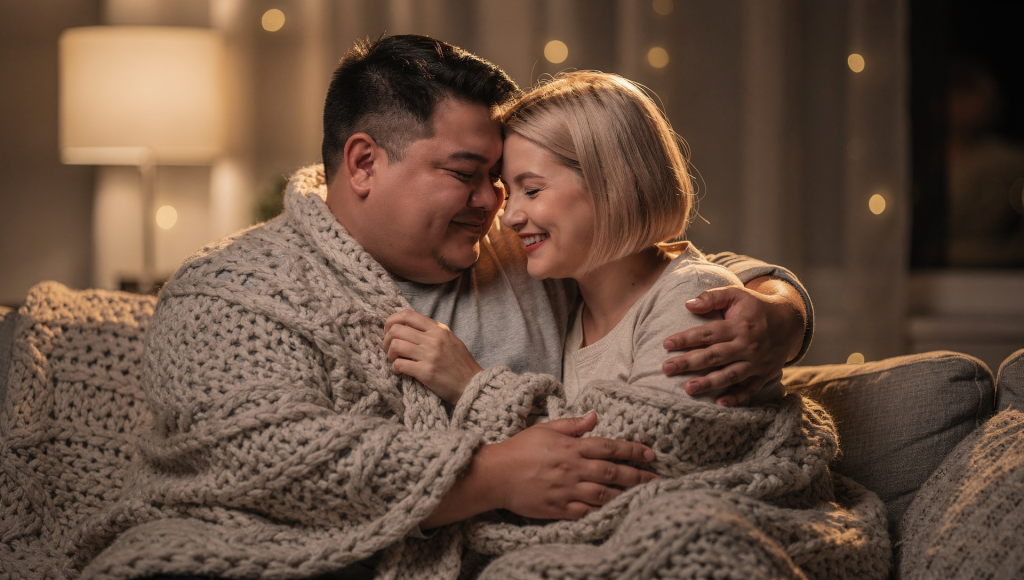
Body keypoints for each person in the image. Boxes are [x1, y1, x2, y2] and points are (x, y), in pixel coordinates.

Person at [75, 36, 813, 579]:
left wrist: (781, 310)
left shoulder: (522, 252)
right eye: (466, 174)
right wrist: (490, 476)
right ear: (364, 163)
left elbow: (656, 265)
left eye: (506, 180)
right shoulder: (232, 289)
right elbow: (269, 459)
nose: (495, 203)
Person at [379, 72, 890, 579]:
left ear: (612, 185)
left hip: (724, 524)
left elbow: (622, 471)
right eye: (508, 192)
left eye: (531, 190)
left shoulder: (694, 300)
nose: (509, 217)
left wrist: (473, 385)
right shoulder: (569, 301)